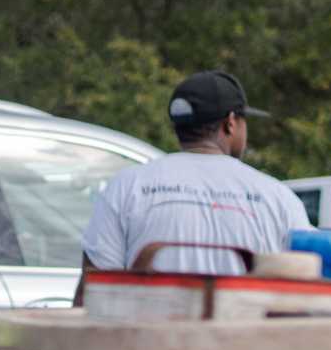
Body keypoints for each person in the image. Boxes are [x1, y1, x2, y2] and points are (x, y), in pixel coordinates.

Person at [79, 70, 309, 284]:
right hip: (243, 326)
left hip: (150, 327)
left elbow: (94, 285)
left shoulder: (127, 186)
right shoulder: (277, 197)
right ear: (230, 123)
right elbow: (308, 281)